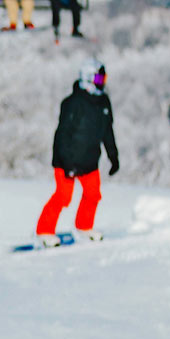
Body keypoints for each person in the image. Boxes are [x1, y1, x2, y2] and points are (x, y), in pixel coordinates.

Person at [37, 59, 120, 246]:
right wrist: (67, 163)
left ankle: (84, 227)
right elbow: (62, 134)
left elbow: (108, 131)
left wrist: (113, 156)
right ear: (88, 78)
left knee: (93, 194)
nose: (102, 82)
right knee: (63, 196)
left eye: (103, 78)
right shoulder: (72, 103)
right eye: (99, 78)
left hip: (89, 160)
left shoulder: (103, 102)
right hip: (67, 160)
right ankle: (44, 231)